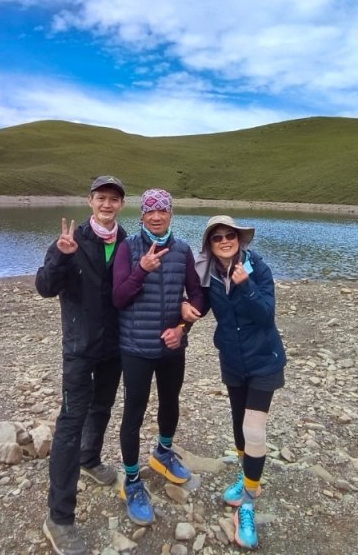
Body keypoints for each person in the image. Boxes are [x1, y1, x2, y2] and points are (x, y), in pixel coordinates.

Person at [36, 175, 129, 555]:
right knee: (70, 422)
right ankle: (58, 518)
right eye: (101, 198)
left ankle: (90, 459)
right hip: (79, 347)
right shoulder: (71, 240)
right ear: (90, 201)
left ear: (121, 205)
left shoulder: (128, 242)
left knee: (103, 406)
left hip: (114, 346)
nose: (107, 205)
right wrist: (61, 255)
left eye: (114, 199)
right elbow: (44, 286)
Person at [184, 215, 286, 550]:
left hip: (264, 360)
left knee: (255, 429)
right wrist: (181, 322)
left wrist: (246, 285)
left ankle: (247, 504)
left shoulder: (258, 267)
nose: (225, 241)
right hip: (232, 360)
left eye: (231, 235)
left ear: (240, 240)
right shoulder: (209, 275)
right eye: (218, 237)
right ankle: (249, 481)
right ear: (210, 245)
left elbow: (266, 314)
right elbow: (201, 308)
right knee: (239, 428)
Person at [112, 188, 205, 526]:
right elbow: (119, 297)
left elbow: (197, 296)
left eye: (162, 211)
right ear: (141, 216)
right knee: (134, 411)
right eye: (149, 211)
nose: (155, 216)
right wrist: (143, 269)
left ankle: (163, 453)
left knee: (170, 402)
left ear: (170, 214)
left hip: (171, 347)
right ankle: (132, 481)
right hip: (135, 347)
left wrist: (183, 327)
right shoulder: (128, 247)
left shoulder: (181, 249)